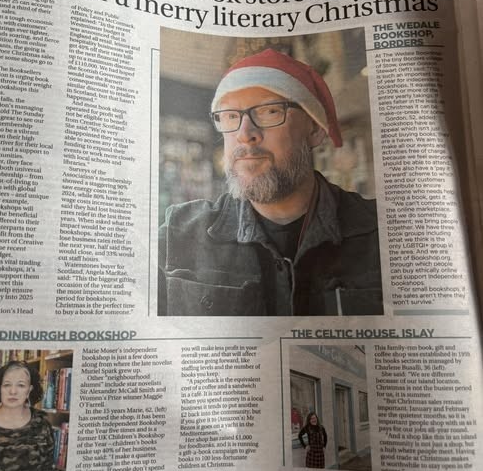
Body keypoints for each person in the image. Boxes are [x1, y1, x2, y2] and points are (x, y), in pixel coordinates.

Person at [158, 48, 383, 316]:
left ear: (314, 129)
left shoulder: (381, 232)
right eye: (230, 115)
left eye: (268, 111)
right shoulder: (178, 235)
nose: (245, 134)